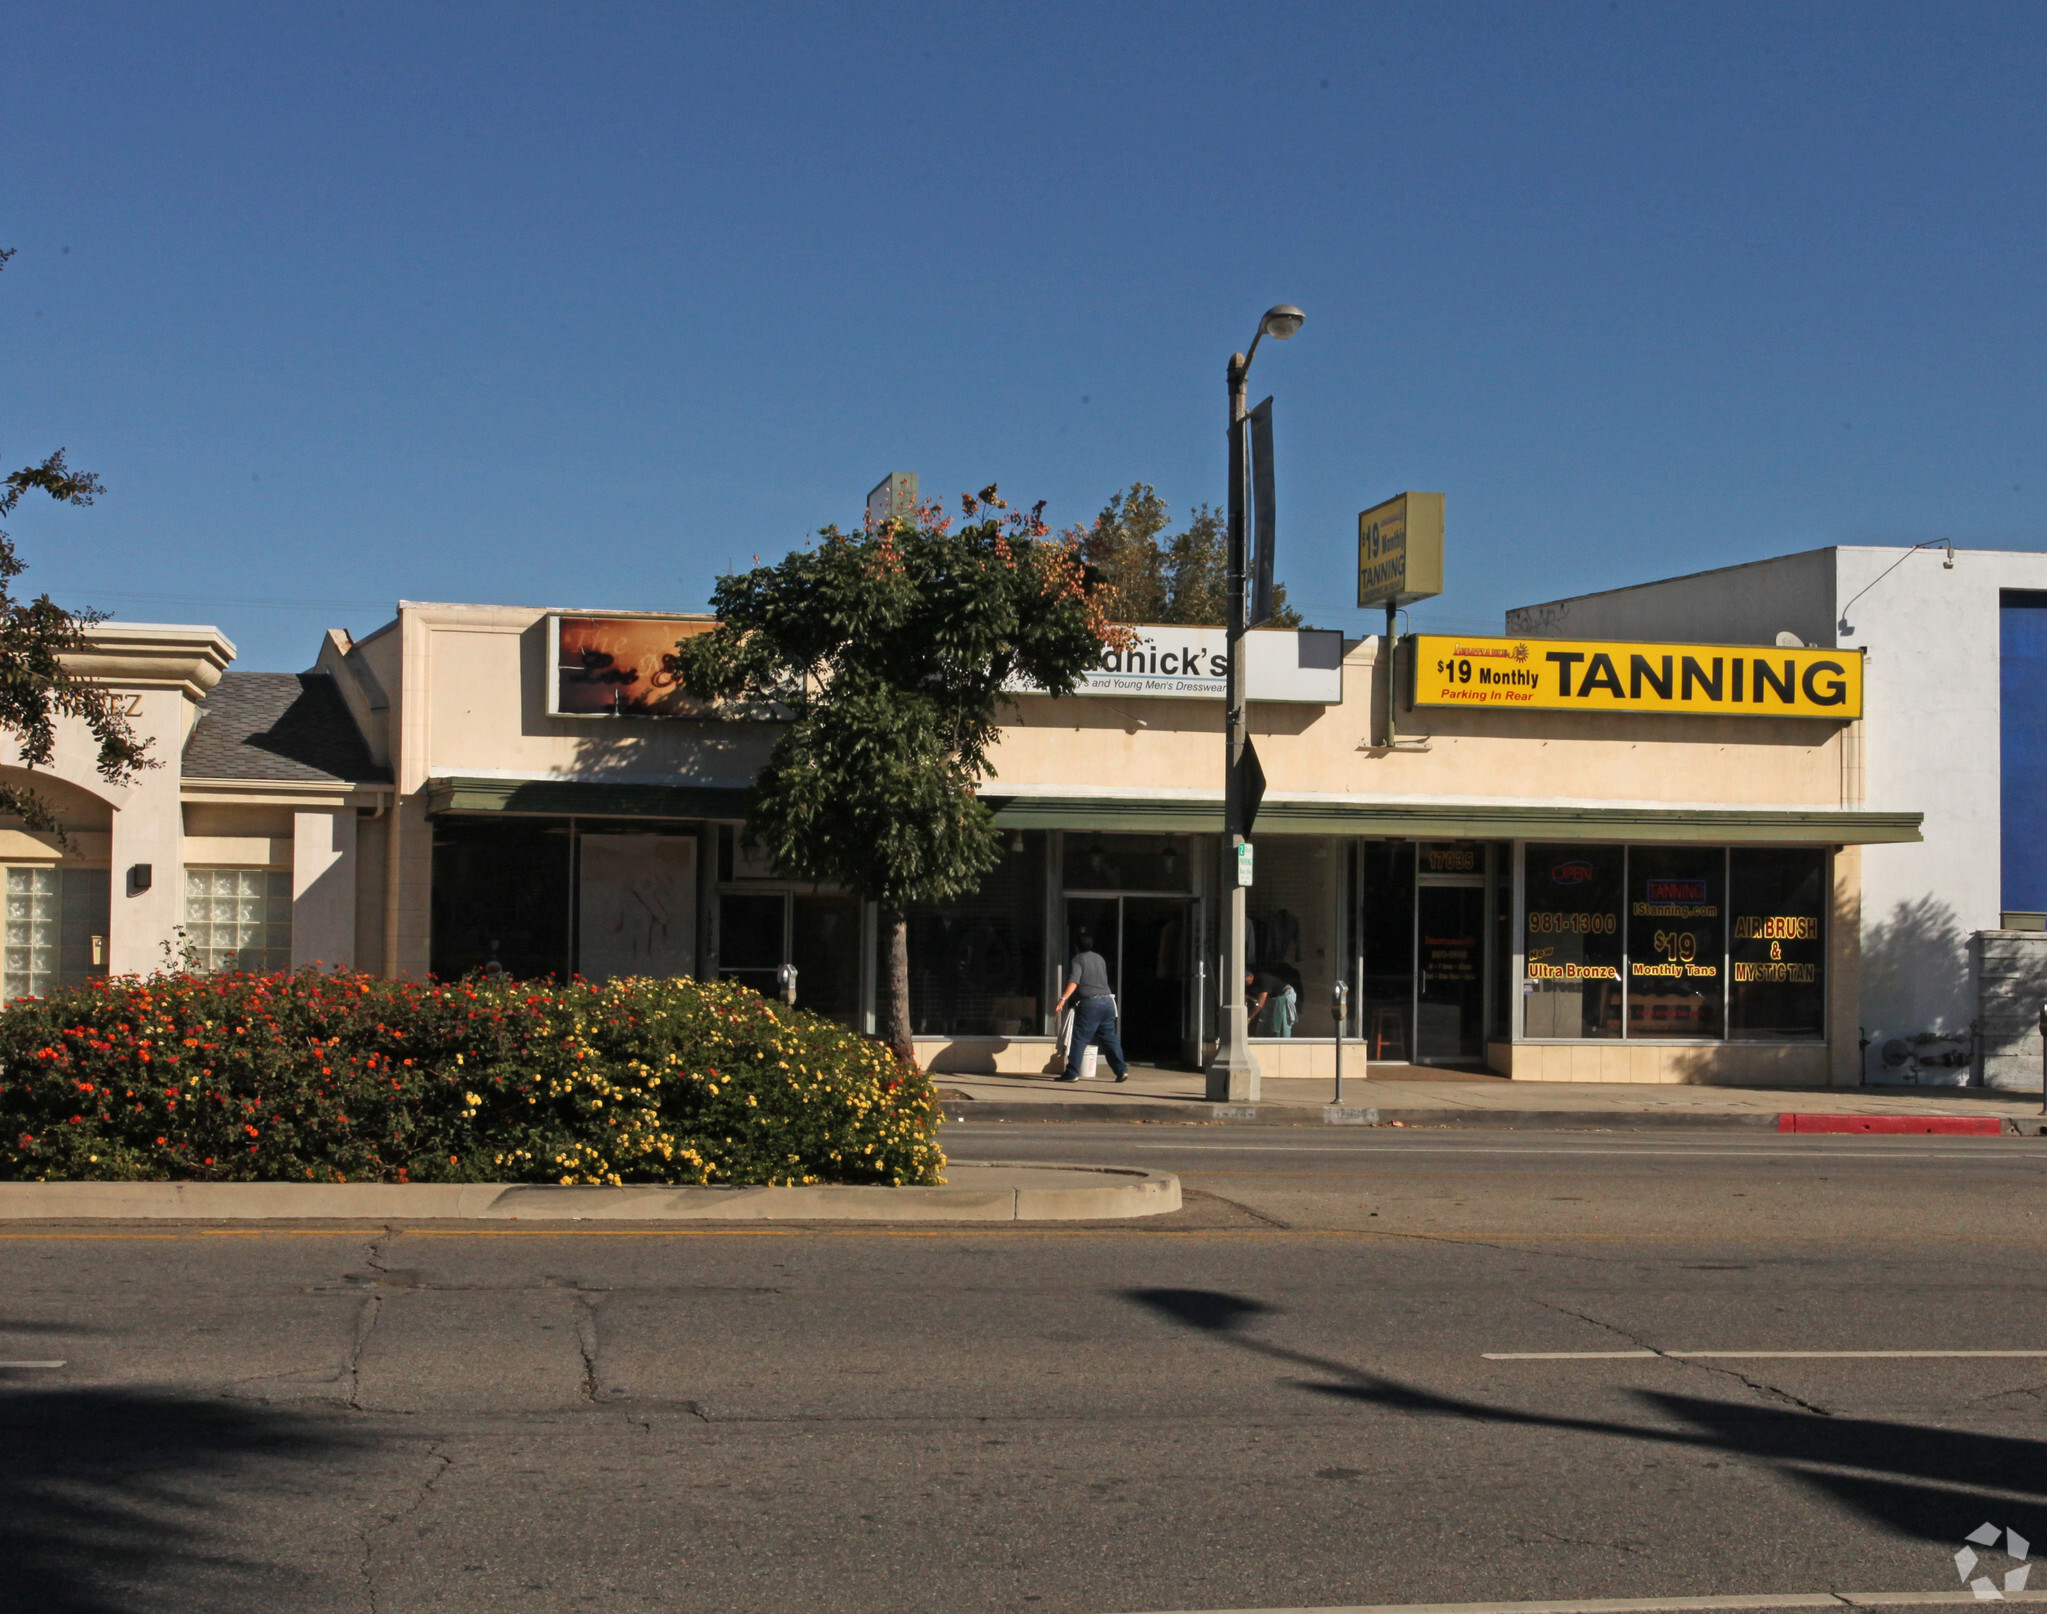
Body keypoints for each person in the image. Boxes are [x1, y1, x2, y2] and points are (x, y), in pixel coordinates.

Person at [1053, 929, 1128, 1083]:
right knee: (1110, 1039)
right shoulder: (1100, 958)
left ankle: (1072, 1072)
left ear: (1076, 947)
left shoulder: (1078, 960)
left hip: (1090, 1004)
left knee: (1079, 1039)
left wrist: (1063, 999)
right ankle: (1121, 1070)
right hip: (1108, 1002)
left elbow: (1074, 981)